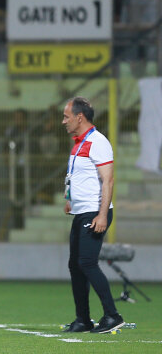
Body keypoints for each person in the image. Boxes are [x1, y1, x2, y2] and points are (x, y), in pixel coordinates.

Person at [60, 96, 124, 334]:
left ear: (80, 117)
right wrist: (70, 199)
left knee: (86, 263)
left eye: (66, 116)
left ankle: (113, 316)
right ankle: (83, 320)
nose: (63, 121)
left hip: (94, 213)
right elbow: (78, 176)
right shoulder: (79, 143)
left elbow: (108, 180)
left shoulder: (98, 142)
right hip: (81, 211)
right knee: (75, 266)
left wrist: (102, 215)